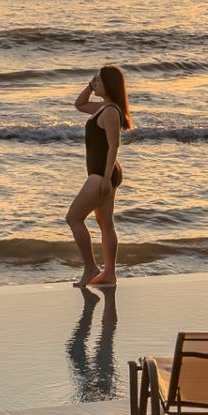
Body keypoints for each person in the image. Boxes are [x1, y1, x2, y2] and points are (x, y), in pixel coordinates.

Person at [67, 65, 131, 286]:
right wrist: (89, 84)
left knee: (73, 217)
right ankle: (110, 274)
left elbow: (114, 146)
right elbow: (79, 104)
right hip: (103, 172)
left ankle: (91, 268)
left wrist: (105, 178)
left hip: (103, 172)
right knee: (105, 223)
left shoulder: (111, 111)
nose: (95, 82)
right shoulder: (102, 108)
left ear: (109, 85)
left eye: (99, 80)